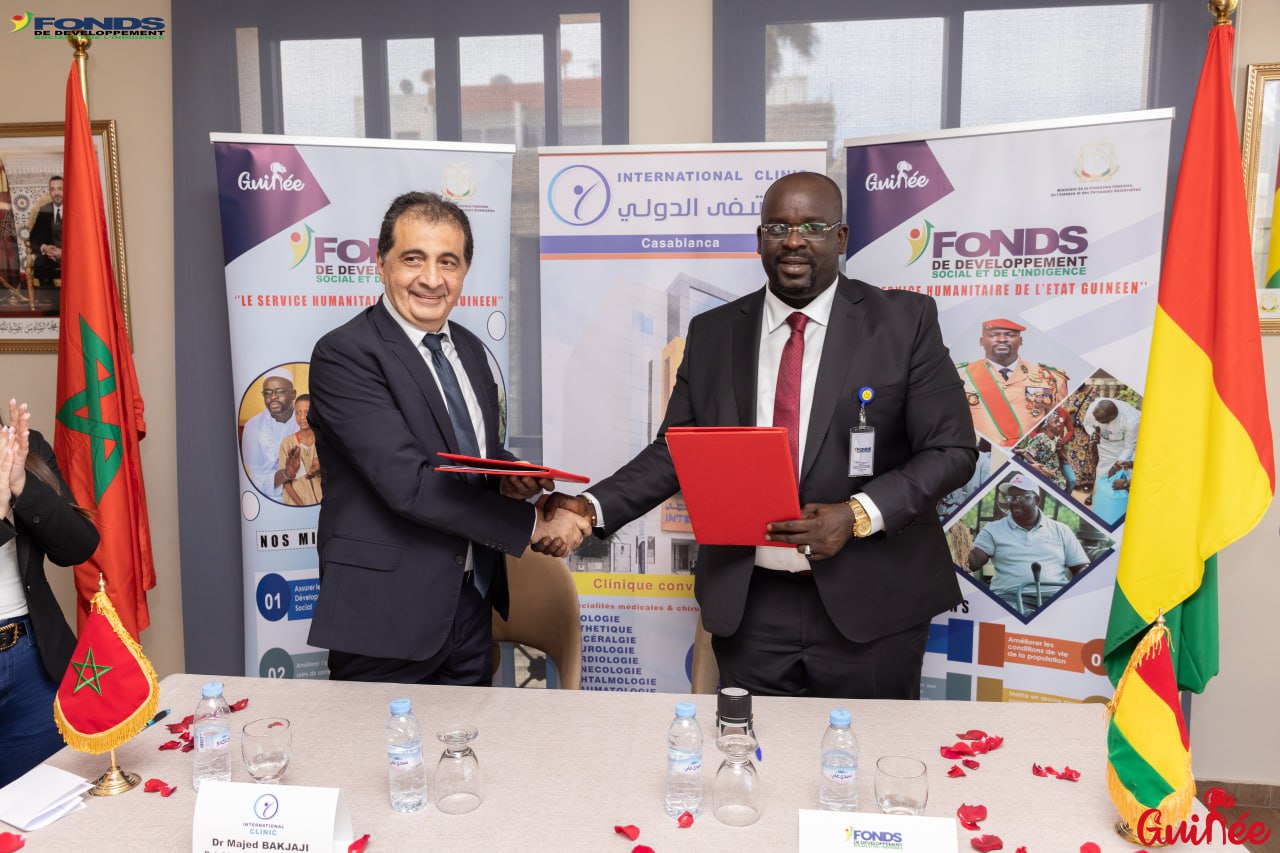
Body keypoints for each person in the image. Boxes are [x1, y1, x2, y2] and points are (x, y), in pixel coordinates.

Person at [540, 172, 976, 699]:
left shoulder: (903, 322)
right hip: (752, 606)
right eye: (777, 227)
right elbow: (677, 452)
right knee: (753, 746)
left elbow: (950, 450)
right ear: (759, 239)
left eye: (812, 227)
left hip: (873, 602)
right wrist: (589, 508)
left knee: (863, 748)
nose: (793, 240)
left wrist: (856, 514)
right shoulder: (714, 332)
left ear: (840, 238)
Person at [306, 191, 588, 686]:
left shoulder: (471, 351)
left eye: (448, 262)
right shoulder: (345, 354)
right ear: (381, 264)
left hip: (470, 605)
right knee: (375, 740)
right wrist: (531, 524)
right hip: (383, 617)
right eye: (413, 259)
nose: (432, 279)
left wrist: (512, 479)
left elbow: (470, 454)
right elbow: (408, 482)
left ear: (465, 270)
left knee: (469, 738)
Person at [0, 399, 100, 786]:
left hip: (32, 663)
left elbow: (78, 546)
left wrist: (21, 485)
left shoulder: (28, 448)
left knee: (47, 806)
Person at [966, 473, 1088, 615]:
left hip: (1055, 598)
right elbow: (973, 563)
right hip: (1010, 598)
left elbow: (1081, 567)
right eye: (1010, 498)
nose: (1014, 502)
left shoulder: (1061, 530)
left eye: (1021, 497)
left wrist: (1073, 596)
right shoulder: (992, 530)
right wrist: (961, 543)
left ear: (1037, 500)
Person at [957, 319, 1070, 447]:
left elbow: (1061, 423)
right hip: (978, 453)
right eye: (993, 335)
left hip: (1028, 455)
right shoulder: (958, 376)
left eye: (1010, 335)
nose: (1002, 339)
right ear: (981, 341)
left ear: (1020, 341)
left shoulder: (1050, 378)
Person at [241, 368, 298, 500]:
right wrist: (285, 474)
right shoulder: (252, 426)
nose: (273, 397)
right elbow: (254, 477)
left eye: (280, 391)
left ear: (293, 394)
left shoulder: (308, 421)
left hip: (305, 496)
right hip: (266, 498)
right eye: (267, 393)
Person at [1082, 397, 1139, 498]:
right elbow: (1087, 424)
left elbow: (1129, 447)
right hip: (1104, 442)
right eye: (1096, 419)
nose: (1098, 422)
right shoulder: (1094, 409)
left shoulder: (1132, 420)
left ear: (1112, 417)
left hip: (1123, 445)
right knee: (1102, 473)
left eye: (1101, 421)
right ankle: (1098, 496)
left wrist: (1117, 464)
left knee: (1125, 474)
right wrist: (1093, 433)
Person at [278, 394, 322, 507]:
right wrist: (301, 506)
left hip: (321, 504)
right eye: (298, 413)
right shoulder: (287, 443)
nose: (302, 417)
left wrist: (319, 470)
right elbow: (285, 483)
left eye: (306, 412)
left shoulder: (323, 441)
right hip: (297, 504)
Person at [1013, 416, 1077, 493]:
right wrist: (1042, 468)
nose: (1059, 424)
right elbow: (1027, 453)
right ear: (1046, 426)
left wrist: (1067, 459)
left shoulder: (1056, 439)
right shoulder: (1040, 437)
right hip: (1045, 472)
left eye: (1059, 421)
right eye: (1055, 422)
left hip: (1055, 473)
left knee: (1067, 485)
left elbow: (1057, 452)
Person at [27, 175, 64, 289]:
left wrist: (65, 253)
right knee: (40, 264)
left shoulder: (76, 209)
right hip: (50, 257)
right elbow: (33, 237)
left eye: (60, 189)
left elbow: (84, 240)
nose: (56, 193)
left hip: (72, 256)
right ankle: (50, 299)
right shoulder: (44, 210)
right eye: (53, 189)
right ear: (50, 192)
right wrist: (45, 248)